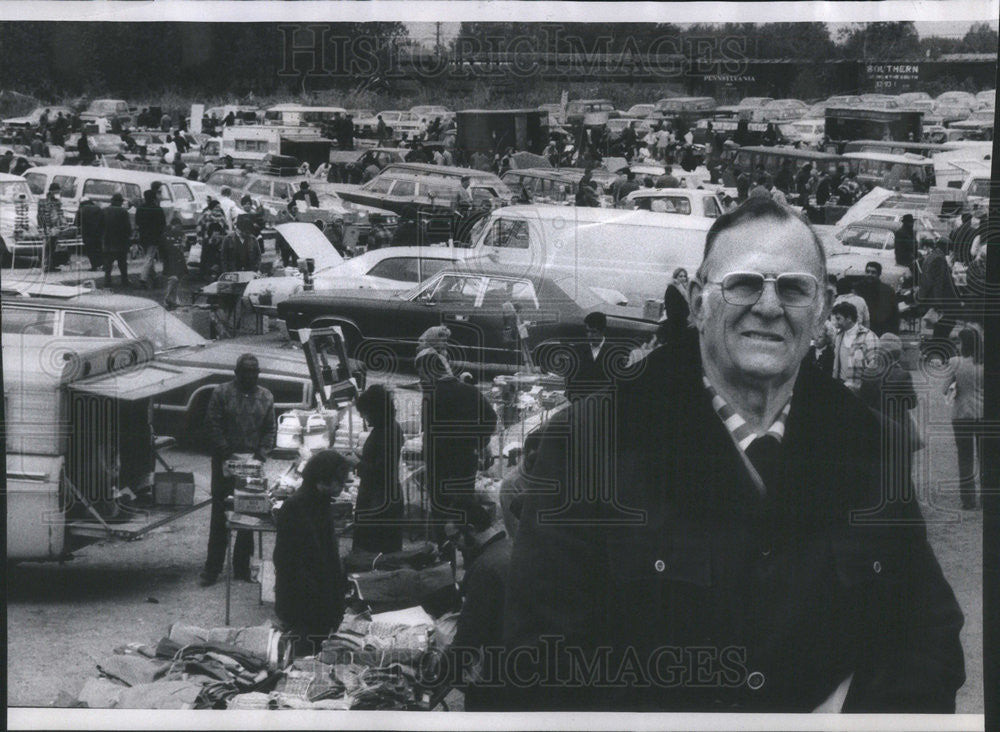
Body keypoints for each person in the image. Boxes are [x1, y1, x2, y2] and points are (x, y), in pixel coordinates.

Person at [503, 196, 964, 711]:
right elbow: (539, 660)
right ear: (699, 301)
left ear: (820, 309)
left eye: (793, 288)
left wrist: (850, 717)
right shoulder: (593, 441)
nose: (768, 307)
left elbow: (930, 637)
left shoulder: (869, 444)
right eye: (743, 284)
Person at [200, 354, 276, 587]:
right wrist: (227, 453)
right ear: (236, 372)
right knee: (220, 515)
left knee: (248, 515)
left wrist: (259, 456)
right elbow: (212, 424)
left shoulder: (266, 396)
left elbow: (270, 430)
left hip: (252, 464)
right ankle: (212, 570)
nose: (250, 376)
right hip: (225, 463)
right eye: (246, 372)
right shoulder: (222, 393)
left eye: (254, 372)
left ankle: (242, 567)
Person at [417, 335, 498, 543]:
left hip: (440, 465)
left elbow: (427, 430)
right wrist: (478, 442)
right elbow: (491, 417)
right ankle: (470, 553)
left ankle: (445, 558)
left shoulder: (433, 396)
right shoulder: (469, 390)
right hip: (465, 462)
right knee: (464, 509)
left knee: (442, 514)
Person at [273, 448, 351, 657]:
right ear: (325, 480)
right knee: (304, 656)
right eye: (340, 482)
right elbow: (286, 561)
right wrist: (318, 595)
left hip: (320, 597)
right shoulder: (295, 506)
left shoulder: (320, 501)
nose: (342, 487)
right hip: (303, 602)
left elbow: (327, 552)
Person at [447, 501, 513, 711]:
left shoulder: (485, 567)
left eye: (454, 538)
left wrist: (447, 665)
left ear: (472, 529)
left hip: (495, 668)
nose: (453, 545)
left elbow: (472, 629)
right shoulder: (509, 547)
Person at [352, 385, 405, 555]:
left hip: (380, 499)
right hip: (379, 495)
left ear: (376, 410)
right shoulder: (386, 428)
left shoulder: (388, 431)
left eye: (365, 412)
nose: (363, 417)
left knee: (374, 551)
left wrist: (356, 463)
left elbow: (382, 471)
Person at [944, 328, 984, 510]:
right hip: (984, 414)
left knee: (965, 458)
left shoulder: (955, 363)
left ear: (964, 344)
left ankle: (968, 500)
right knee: (986, 458)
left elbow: (945, 388)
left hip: (961, 414)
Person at [917, 237, 961, 357]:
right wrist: (938, 303)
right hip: (942, 299)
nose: (950, 251)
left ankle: (935, 349)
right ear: (945, 247)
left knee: (941, 327)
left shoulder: (932, 256)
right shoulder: (939, 259)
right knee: (945, 325)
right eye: (949, 248)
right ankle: (935, 350)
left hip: (933, 297)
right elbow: (938, 282)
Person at [565, 311, 618, 399]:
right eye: (588, 331)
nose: (589, 335)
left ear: (603, 331)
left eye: (593, 332)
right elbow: (569, 381)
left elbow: (616, 384)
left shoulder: (614, 352)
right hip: (580, 404)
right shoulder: (577, 350)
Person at [831, 300, 879, 394]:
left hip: (860, 391)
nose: (836, 323)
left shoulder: (869, 337)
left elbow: (875, 366)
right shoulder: (838, 336)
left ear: (848, 318)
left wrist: (862, 388)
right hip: (840, 387)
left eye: (838, 319)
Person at [854, 261, 900, 336]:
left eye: (873, 272)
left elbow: (894, 315)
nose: (870, 274)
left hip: (880, 329)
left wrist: (893, 334)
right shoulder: (858, 289)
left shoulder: (887, 291)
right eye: (868, 272)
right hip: (861, 329)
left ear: (879, 274)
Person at [134, 189, 167, 288]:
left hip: (143, 236)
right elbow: (162, 224)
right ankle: (143, 280)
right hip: (154, 236)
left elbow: (137, 222)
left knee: (149, 258)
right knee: (149, 258)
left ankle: (154, 278)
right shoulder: (158, 209)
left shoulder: (140, 208)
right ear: (154, 198)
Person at [101, 193, 132, 288]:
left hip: (108, 239)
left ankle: (107, 280)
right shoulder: (123, 212)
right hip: (121, 240)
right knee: (122, 262)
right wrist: (129, 236)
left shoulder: (104, 210)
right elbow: (127, 227)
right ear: (120, 202)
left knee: (108, 262)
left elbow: (100, 225)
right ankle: (124, 280)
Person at [36, 182, 64, 272]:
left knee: (52, 246)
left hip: (55, 227)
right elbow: (40, 215)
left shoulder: (57, 201)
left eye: (58, 192)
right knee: (46, 246)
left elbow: (60, 213)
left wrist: (61, 224)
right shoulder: (44, 201)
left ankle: (50, 265)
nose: (58, 193)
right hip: (46, 226)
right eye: (56, 191)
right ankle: (45, 265)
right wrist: (43, 226)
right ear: (51, 191)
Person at [662, 267, 691, 345]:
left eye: (684, 276)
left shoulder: (686, 290)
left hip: (683, 323)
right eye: (680, 276)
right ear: (675, 277)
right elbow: (671, 307)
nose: (683, 278)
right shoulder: (672, 289)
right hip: (675, 324)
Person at [75, 196, 104, 271]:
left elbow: (77, 223)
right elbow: (103, 220)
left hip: (87, 233)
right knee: (99, 248)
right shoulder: (98, 208)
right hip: (99, 232)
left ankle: (94, 266)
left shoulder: (81, 210)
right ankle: (103, 264)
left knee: (90, 250)